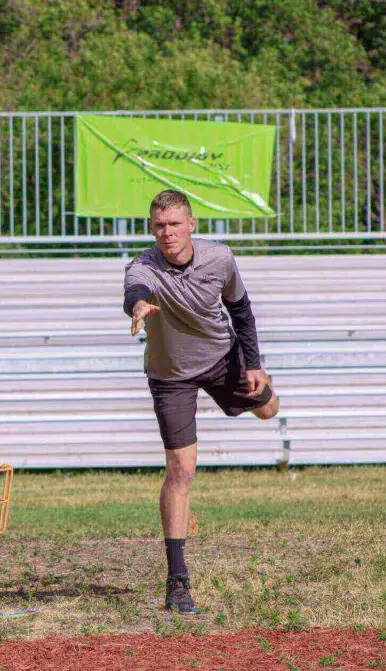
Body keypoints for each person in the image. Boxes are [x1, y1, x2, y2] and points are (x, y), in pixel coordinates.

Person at [123, 189, 280, 614]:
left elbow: (242, 311)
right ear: (150, 228)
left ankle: (260, 389)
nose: (166, 233)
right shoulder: (143, 266)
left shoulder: (220, 259)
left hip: (220, 357)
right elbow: (134, 291)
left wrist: (255, 365)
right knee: (181, 470)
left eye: (174, 224)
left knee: (269, 409)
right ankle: (177, 580)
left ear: (191, 224)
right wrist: (137, 306)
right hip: (170, 375)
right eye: (158, 226)